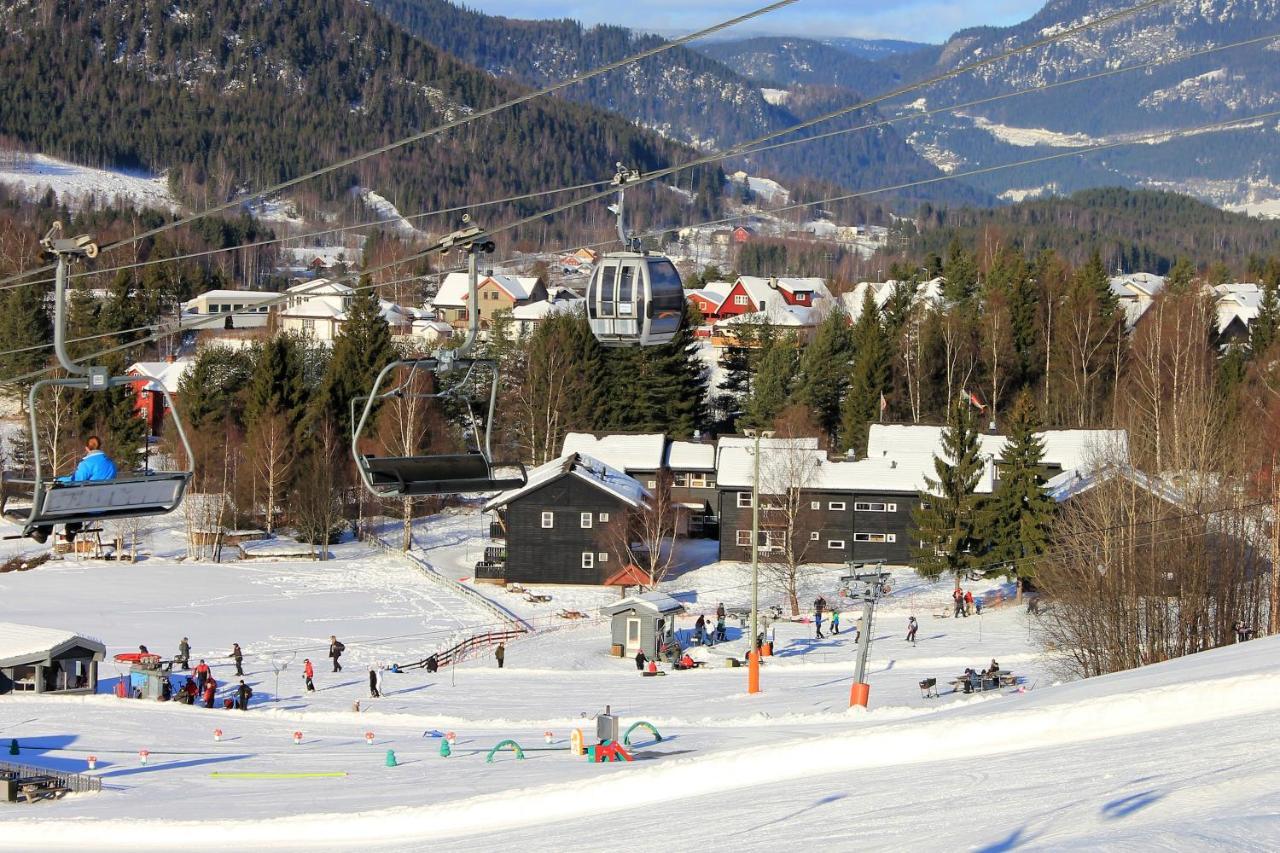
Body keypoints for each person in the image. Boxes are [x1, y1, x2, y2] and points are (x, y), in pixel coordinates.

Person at [30, 435, 118, 544]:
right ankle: (72, 528)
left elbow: (75, 481)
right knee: (82, 499)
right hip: (103, 505)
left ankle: (43, 531)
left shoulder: (87, 464)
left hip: (87, 506)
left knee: (55, 499)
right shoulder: (111, 464)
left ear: (87, 448)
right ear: (100, 447)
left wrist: (59, 480)